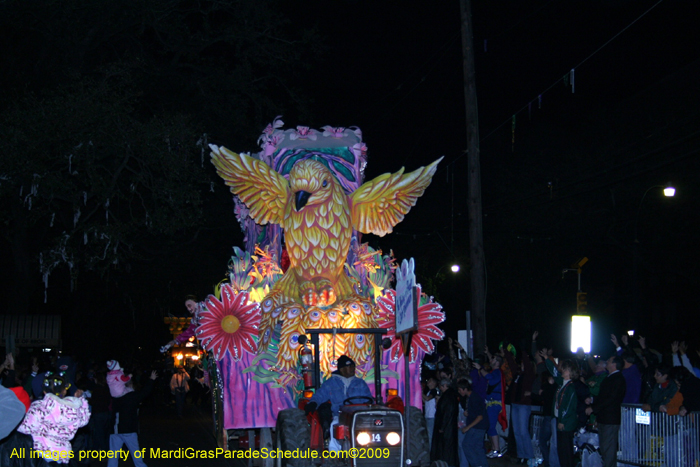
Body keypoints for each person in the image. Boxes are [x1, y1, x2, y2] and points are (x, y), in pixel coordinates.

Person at [18, 371, 90, 464]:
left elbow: (27, 428)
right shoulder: (73, 409)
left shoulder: (40, 407)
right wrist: (81, 400)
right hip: (62, 456)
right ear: (64, 390)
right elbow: (84, 420)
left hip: (43, 454)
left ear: (44, 391)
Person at [305, 355, 372, 441]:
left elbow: (368, 399)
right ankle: (335, 451)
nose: (352, 368)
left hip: (359, 416)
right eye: (349, 366)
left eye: (353, 366)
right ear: (342, 369)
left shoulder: (360, 383)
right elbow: (320, 395)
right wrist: (313, 403)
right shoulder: (331, 383)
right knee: (335, 425)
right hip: (340, 416)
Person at [108, 371, 158, 467]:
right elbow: (145, 392)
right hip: (128, 429)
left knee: (113, 455)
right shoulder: (131, 396)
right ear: (131, 384)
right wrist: (151, 379)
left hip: (115, 429)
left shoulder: (115, 396)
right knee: (136, 454)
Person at [585, 355, 626, 467]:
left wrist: (594, 408)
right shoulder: (610, 378)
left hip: (610, 419)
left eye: (609, 360)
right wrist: (593, 400)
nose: (607, 362)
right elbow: (604, 396)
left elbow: (611, 398)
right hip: (605, 418)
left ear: (614, 364)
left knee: (608, 450)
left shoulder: (618, 379)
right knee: (605, 449)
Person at [544, 354, 578, 467]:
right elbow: (554, 372)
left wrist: (562, 421)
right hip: (559, 420)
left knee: (565, 449)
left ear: (569, 371)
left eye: (564, 369)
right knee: (561, 448)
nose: (562, 370)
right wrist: (547, 359)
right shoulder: (562, 384)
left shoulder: (570, 388)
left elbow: (568, 406)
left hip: (566, 423)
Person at [458, 379, 490, 467]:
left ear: (465, 389)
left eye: (460, 389)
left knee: (466, 445)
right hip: (480, 426)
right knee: (478, 447)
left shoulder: (474, 398)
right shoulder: (471, 397)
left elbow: (480, 417)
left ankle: (476, 464)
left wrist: (467, 428)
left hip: (478, 426)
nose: (459, 392)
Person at [430, 378, 459, 467]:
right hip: (448, 426)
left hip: (447, 428)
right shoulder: (449, 395)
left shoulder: (448, 396)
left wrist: (442, 427)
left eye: (441, 387)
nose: (441, 388)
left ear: (445, 386)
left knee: (446, 448)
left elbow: (447, 413)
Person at [422, 377, 439, 447]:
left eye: (430, 380)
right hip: (428, 416)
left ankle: (431, 452)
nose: (428, 381)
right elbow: (425, 401)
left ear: (434, 383)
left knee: (430, 435)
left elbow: (427, 398)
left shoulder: (434, 391)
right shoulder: (429, 392)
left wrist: (420, 392)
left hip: (432, 416)